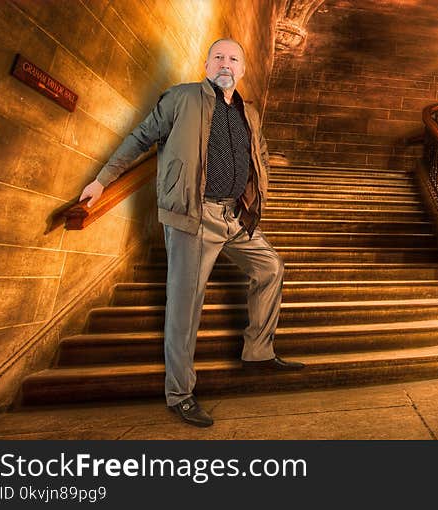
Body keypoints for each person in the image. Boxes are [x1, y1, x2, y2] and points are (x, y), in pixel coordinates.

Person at [79, 38, 304, 428]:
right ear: (206, 63)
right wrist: (102, 181)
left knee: (271, 268)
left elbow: (261, 154)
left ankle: (258, 350)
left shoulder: (249, 112)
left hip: (236, 217)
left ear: (243, 69)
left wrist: (258, 189)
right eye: (219, 56)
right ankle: (180, 393)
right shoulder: (182, 98)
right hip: (194, 217)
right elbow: (141, 137)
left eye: (234, 58)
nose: (226, 63)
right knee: (186, 306)